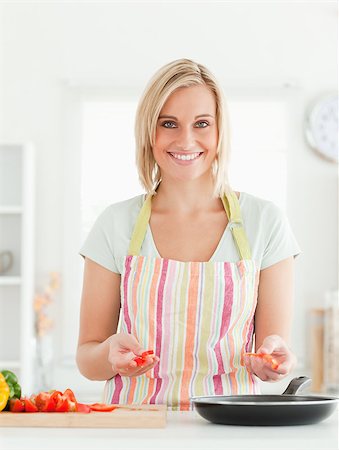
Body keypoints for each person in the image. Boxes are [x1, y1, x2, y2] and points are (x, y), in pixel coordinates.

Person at [76, 58, 301, 411]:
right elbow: (88, 359)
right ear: (149, 132)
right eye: (169, 123)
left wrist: (272, 360)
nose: (186, 140)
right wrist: (108, 355)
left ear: (219, 132)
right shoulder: (115, 223)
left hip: (231, 429)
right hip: (134, 429)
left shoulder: (265, 222)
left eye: (202, 124)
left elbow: (273, 349)